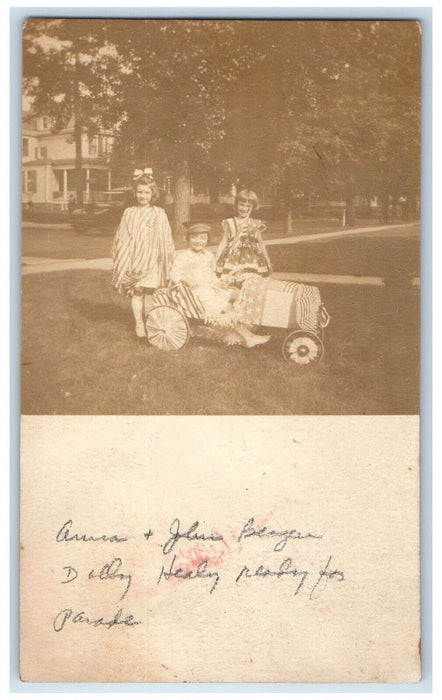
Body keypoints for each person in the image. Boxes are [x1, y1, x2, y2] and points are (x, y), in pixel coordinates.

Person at [171, 222, 270, 348]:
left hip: (209, 288)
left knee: (233, 294)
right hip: (194, 293)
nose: (198, 241)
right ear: (188, 239)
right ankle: (247, 337)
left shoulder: (208, 256)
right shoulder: (183, 257)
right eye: (194, 237)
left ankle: (243, 332)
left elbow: (211, 275)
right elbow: (174, 274)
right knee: (223, 307)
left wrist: (221, 283)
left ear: (207, 240)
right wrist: (184, 280)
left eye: (202, 238)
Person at [111, 168, 174, 338]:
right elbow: (122, 237)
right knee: (137, 291)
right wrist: (123, 258)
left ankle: (150, 322)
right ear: (135, 192)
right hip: (135, 258)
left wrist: (166, 257)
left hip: (153, 259)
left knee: (150, 292)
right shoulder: (129, 212)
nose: (143, 196)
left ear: (152, 194)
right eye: (140, 192)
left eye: (146, 192)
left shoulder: (159, 213)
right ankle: (139, 323)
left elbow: (166, 237)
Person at [215, 189, 273, 279]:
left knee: (250, 281)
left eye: (248, 206)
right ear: (236, 205)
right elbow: (224, 241)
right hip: (232, 257)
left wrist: (268, 261)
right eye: (241, 205)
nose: (244, 208)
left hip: (251, 259)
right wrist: (216, 258)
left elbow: (261, 243)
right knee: (230, 280)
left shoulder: (255, 224)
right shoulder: (229, 222)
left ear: (253, 207)